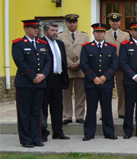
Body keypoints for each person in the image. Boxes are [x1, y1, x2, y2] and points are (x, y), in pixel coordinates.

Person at [13, 19, 51, 148]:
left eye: (37, 28)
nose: (36, 30)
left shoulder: (42, 44)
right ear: (26, 29)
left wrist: (43, 75)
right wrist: (33, 76)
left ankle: (36, 137)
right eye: (33, 28)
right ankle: (25, 139)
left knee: (36, 111)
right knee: (24, 112)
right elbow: (20, 62)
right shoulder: (18, 44)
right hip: (25, 83)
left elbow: (48, 61)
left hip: (39, 83)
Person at [80, 23, 119, 141]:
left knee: (107, 108)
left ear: (105, 33)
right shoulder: (86, 47)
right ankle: (89, 133)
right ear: (93, 33)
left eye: (101, 32)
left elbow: (114, 64)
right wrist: (93, 77)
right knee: (91, 109)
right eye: (97, 32)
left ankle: (109, 133)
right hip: (91, 83)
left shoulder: (111, 47)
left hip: (106, 83)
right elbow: (84, 64)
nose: (99, 34)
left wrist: (105, 77)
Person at [41, 21, 70, 142]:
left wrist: (64, 78)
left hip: (58, 78)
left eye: (56, 30)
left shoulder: (59, 43)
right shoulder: (40, 43)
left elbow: (62, 61)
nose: (55, 33)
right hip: (46, 79)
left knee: (57, 106)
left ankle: (58, 132)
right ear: (46, 31)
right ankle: (43, 132)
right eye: (52, 30)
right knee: (43, 107)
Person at [59, 13, 89, 125]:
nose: (72, 24)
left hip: (80, 69)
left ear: (77, 23)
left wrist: (79, 63)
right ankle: (67, 116)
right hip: (67, 69)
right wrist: (70, 63)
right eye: (70, 22)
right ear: (66, 23)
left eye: (74, 22)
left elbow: (86, 52)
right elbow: (60, 53)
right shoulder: (61, 36)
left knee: (80, 94)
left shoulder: (84, 36)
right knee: (65, 94)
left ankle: (80, 116)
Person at [104, 13, 130, 119]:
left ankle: (122, 111)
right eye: (113, 21)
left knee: (122, 90)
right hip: (107, 65)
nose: (115, 23)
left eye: (117, 21)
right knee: (105, 91)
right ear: (109, 22)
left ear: (120, 22)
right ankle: (104, 112)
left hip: (120, 66)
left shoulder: (126, 35)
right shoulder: (104, 34)